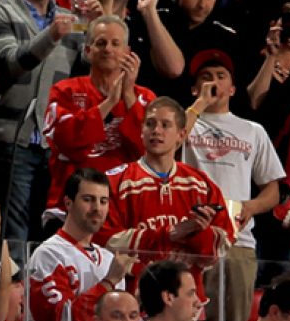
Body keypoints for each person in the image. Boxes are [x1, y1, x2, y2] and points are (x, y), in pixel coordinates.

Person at [180, 50, 283, 321]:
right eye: (206, 77)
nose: (214, 82)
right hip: (190, 237)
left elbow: (272, 190)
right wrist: (199, 105)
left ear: (233, 88)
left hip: (238, 239)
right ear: (194, 87)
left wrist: (250, 207)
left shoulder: (252, 130)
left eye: (220, 76)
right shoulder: (182, 122)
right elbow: (169, 145)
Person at [100, 97, 234, 291]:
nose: (156, 131)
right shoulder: (116, 181)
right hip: (133, 298)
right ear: (141, 132)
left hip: (186, 301)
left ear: (181, 135)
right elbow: (105, 241)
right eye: (150, 124)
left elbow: (224, 245)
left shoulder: (201, 184)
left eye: (165, 125)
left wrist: (197, 234)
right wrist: (168, 235)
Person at [0, 0, 86, 244]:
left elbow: (92, 64)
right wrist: (51, 35)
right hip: (13, 140)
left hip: (54, 145)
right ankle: (14, 283)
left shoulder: (72, 19)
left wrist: (99, 18)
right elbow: (9, 63)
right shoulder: (2, 12)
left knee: (44, 235)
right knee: (15, 236)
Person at [42, 15, 153, 223]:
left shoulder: (145, 98)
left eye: (115, 43)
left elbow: (149, 151)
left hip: (126, 205)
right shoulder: (65, 91)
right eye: (100, 43)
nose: (108, 49)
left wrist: (129, 97)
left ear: (128, 53)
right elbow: (67, 142)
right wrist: (109, 103)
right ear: (87, 51)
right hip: (70, 207)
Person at [25, 168, 128, 321]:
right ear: (68, 203)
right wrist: (107, 283)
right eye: (88, 199)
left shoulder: (108, 259)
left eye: (103, 201)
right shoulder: (49, 254)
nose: (97, 208)